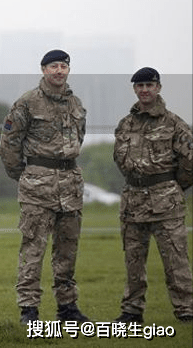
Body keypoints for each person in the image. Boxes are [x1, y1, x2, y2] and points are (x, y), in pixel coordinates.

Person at [0, 49, 90, 325]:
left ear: (68, 70)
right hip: (38, 187)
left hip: (70, 186)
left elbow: (79, 137)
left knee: (67, 250)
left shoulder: (76, 104)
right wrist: (26, 176)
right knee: (33, 249)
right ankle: (29, 310)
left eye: (63, 66)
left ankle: (67, 308)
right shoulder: (26, 103)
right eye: (53, 66)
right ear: (43, 70)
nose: (59, 71)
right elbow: (9, 144)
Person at [113, 67, 193, 323]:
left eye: (149, 85)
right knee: (133, 260)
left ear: (158, 87)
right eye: (140, 85)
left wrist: (171, 186)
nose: (145, 90)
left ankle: (186, 310)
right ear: (134, 89)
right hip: (133, 201)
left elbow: (190, 161)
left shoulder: (174, 123)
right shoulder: (126, 124)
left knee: (176, 260)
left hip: (165, 201)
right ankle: (131, 311)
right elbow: (119, 158)